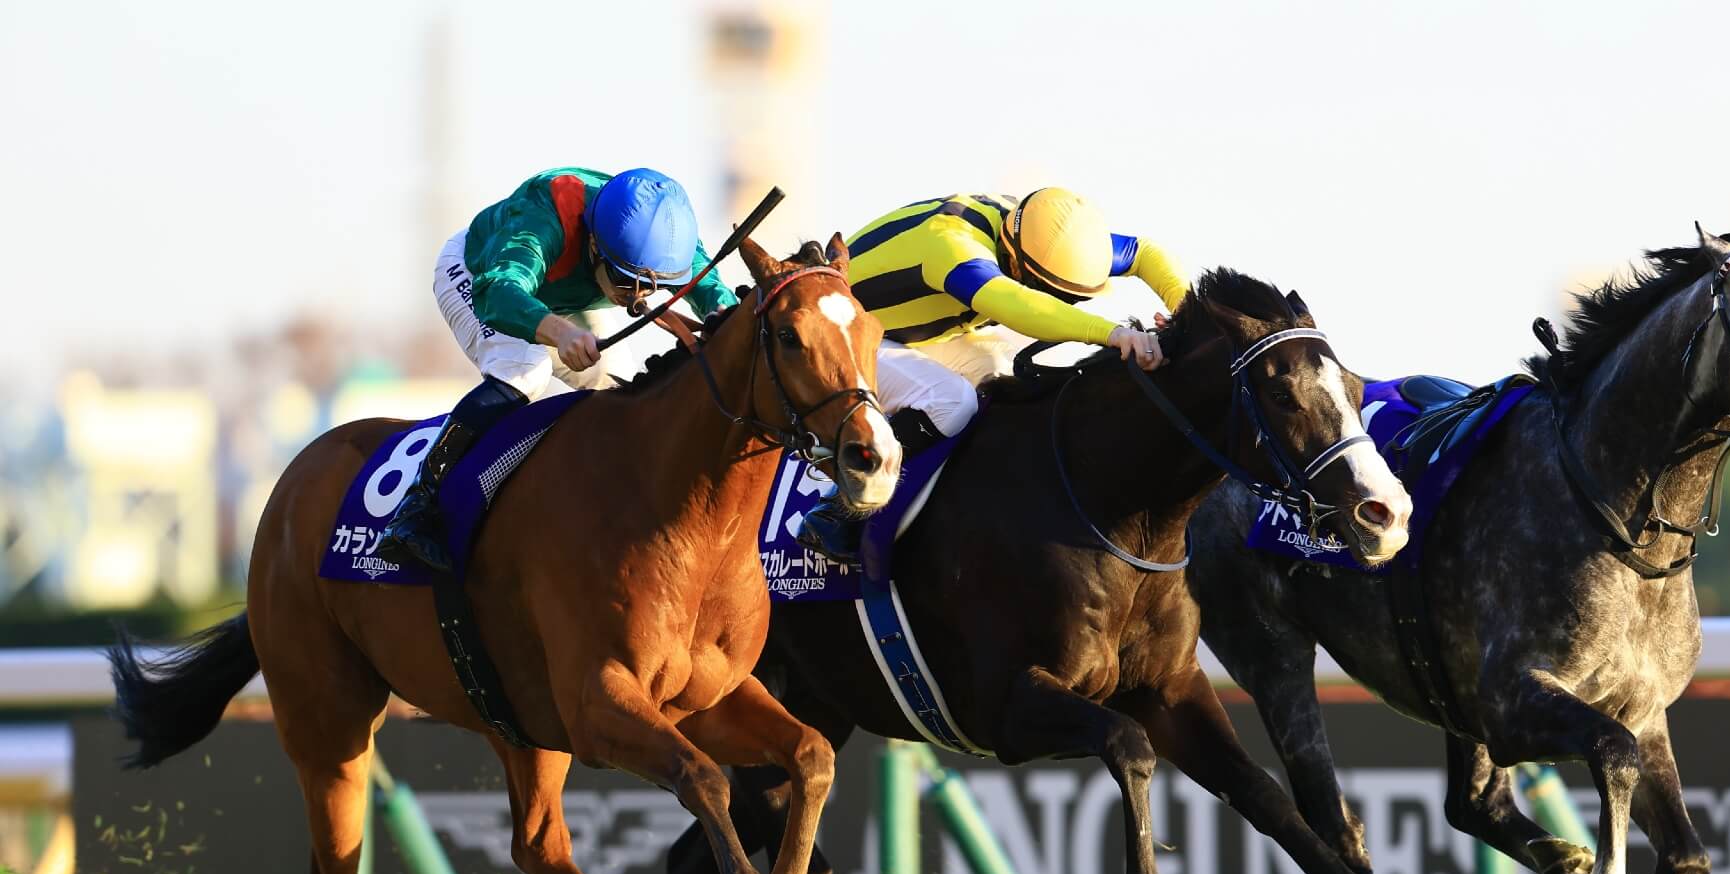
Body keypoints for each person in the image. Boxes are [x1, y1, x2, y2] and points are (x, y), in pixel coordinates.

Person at [796, 187, 1190, 562]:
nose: (1061, 301)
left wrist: (1188, 309)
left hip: (903, 331)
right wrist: (1115, 334)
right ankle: (837, 510)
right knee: (953, 401)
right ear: (1020, 263)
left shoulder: (1045, 233)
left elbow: (1145, 252)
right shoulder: (953, 247)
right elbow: (1017, 305)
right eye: (1056, 292)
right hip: (836, 340)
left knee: (1004, 377)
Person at [378, 166, 734, 571]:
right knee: (524, 370)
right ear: (597, 245)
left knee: (620, 388)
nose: (637, 296)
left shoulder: (667, 234)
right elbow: (498, 292)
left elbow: (710, 289)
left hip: (569, 298)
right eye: (626, 281)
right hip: (481, 274)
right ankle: (418, 504)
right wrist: (559, 333)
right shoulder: (546, 217)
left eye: (652, 285)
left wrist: (726, 314)